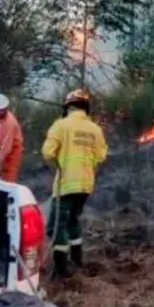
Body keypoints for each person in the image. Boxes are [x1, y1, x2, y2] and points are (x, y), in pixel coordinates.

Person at [41, 88, 107, 277]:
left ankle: (61, 270)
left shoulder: (61, 125)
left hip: (66, 184)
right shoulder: (95, 129)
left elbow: (47, 152)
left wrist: (59, 160)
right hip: (86, 185)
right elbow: (101, 156)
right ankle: (77, 259)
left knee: (56, 226)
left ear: (68, 106)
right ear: (86, 109)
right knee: (73, 221)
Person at [0, 93, 24, 183]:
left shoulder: (10, 122)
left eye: (0, 110)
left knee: (8, 178)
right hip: (3, 147)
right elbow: (0, 131)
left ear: (5, 108)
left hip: (13, 150)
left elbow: (7, 147)